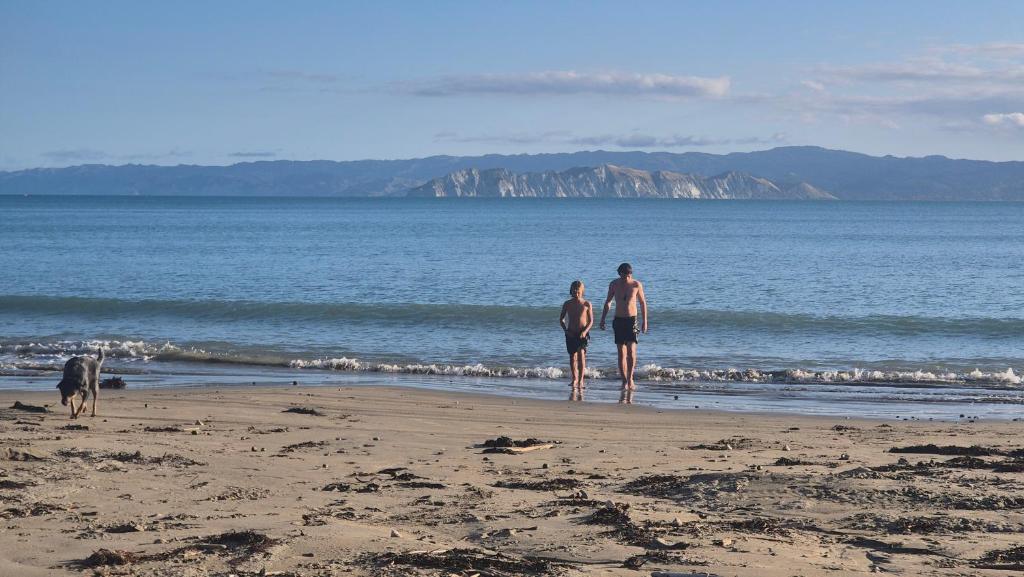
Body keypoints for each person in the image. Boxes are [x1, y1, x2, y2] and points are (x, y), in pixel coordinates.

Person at [599, 262, 648, 390]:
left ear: (631, 274)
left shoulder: (636, 284)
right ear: (619, 274)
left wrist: (645, 321)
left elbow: (643, 303)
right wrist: (602, 319)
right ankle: (624, 380)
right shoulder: (614, 284)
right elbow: (608, 302)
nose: (626, 278)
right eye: (623, 275)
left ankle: (630, 378)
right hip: (618, 320)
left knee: (631, 352)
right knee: (621, 352)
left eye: (628, 275)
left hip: (632, 320)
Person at [559, 280, 593, 392]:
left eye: (578, 290)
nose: (576, 292)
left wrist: (585, 331)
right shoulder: (567, 304)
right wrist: (566, 330)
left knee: (581, 356)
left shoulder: (586, 304)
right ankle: (574, 379)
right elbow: (561, 319)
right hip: (571, 333)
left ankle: (581, 380)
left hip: (583, 333)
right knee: (572, 356)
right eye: (574, 290)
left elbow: (591, 321)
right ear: (571, 291)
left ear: (582, 291)